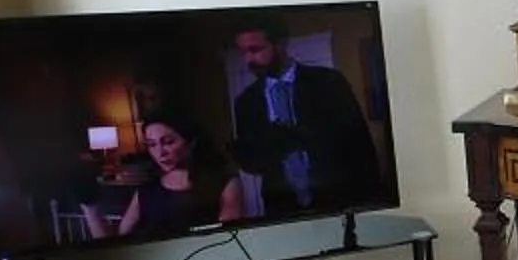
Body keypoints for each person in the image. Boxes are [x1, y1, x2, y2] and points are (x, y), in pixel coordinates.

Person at [230, 20, 382, 213]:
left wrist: (372, 202)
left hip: (338, 201)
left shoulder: (329, 82)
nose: (248, 60)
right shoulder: (246, 102)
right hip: (281, 208)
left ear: (281, 43)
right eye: (243, 52)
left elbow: (360, 144)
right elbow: (253, 163)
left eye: (255, 49)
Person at [82, 118, 245, 240]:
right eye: (152, 145)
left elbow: (228, 236)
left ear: (191, 142)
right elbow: (118, 241)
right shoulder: (147, 190)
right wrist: (90, 208)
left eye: (168, 142)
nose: (160, 153)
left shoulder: (224, 182)